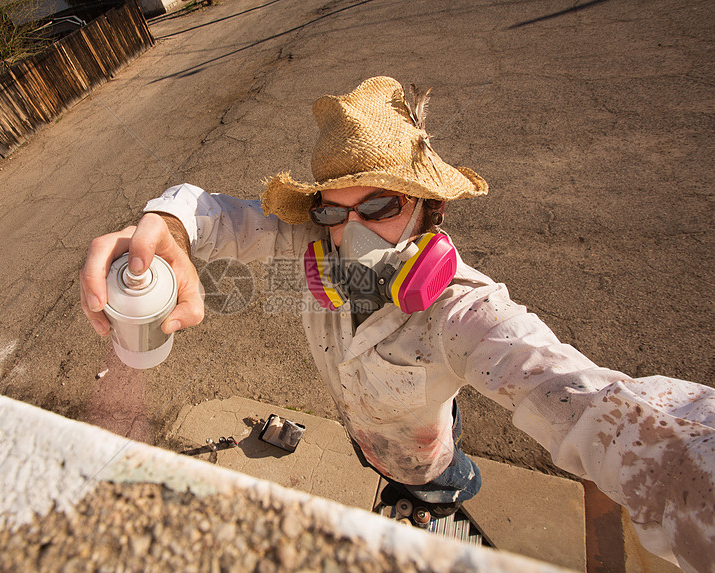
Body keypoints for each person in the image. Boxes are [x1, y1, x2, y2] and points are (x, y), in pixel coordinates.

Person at [80, 76, 713, 571]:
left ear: (428, 210)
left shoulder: (464, 314)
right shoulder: (313, 244)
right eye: (334, 212)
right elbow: (220, 216)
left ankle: (447, 495)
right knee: (386, 463)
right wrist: (171, 229)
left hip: (424, 452)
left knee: (441, 479)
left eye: (380, 205)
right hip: (368, 436)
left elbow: (584, 398)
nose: (350, 233)